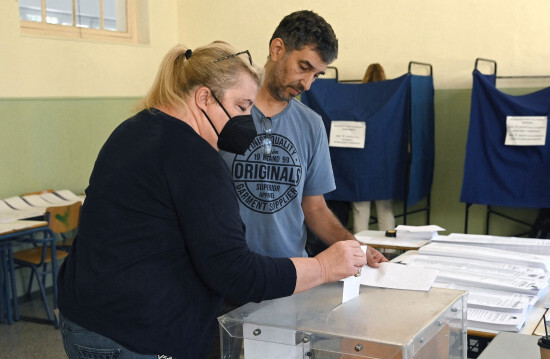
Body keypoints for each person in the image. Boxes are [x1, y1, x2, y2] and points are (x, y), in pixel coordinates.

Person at [57, 41, 367, 359]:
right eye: (242, 106)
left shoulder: (133, 129)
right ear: (204, 97)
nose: (248, 120)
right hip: (138, 334)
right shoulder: (195, 157)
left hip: (85, 320)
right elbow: (234, 273)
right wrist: (323, 266)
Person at [219, 10, 389, 264]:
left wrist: (356, 247)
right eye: (304, 67)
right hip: (229, 273)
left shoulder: (312, 124)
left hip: (292, 275)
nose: (308, 84)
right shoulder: (224, 112)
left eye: (317, 74)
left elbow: (315, 207)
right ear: (277, 49)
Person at [351, 63, 396, 234]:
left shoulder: (356, 99)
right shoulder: (390, 99)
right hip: (384, 161)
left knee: (360, 209)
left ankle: (359, 253)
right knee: (385, 209)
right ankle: (390, 250)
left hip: (360, 162)